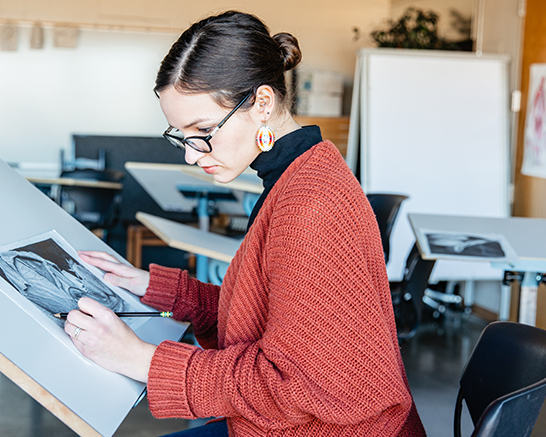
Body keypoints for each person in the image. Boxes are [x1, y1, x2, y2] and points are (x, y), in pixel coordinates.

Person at [63, 10, 426, 437]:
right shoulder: (300, 172)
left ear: (263, 103)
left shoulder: (311, 204)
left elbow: (298, 383)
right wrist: (156, 287)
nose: (191, 154)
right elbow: (269, 320)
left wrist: (141, 359)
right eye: (180, 134)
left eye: (202, 129)